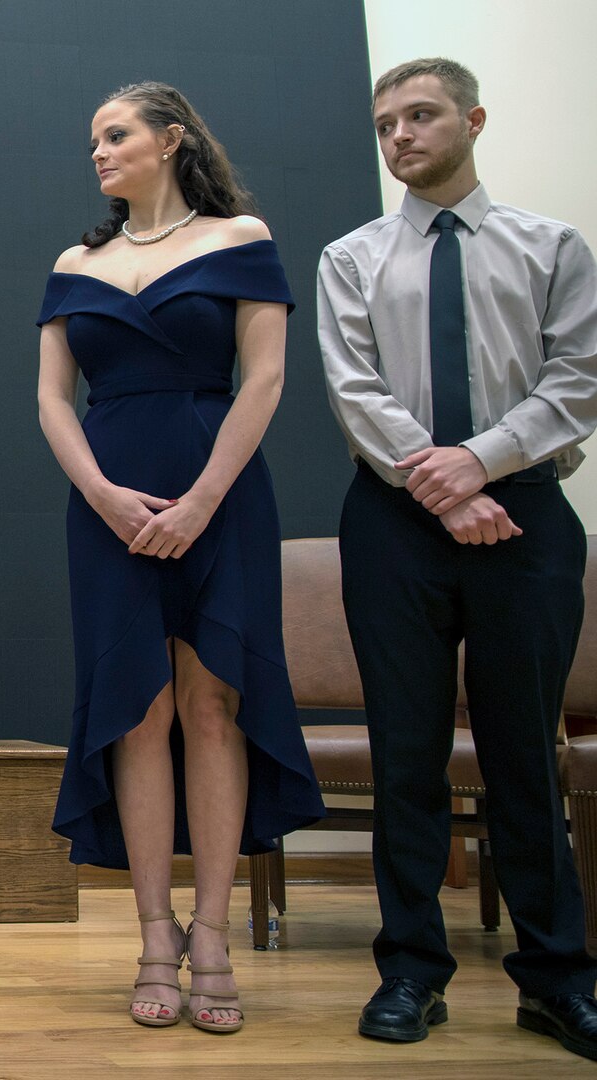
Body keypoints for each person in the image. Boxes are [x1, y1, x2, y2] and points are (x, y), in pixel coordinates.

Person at [318, 57, 597, 1059]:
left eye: (421, 115)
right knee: (407, 752)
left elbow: (576, 380)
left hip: (523, 518)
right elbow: (354, 390)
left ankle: (557, 977)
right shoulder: (349, 258)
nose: (400, 135)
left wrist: (477, 467)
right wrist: (442, 485)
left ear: (472, 120)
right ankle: (408, 971)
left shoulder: (551, 246)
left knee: (528, 750)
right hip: (394, 525)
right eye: (385, 122)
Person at [35, 82, 323, 1034]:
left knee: (212, 704)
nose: (99, 151)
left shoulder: (241, 238)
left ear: (172, 140)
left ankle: (211, 934)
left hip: (222, 497)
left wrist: (201, 501)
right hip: (108, 506)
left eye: (115, 134)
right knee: (137, 709)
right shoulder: (75, 260)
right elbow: (51, 402)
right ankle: (153, 933)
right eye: (93, 140)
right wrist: (106, 498)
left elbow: (268, 375)